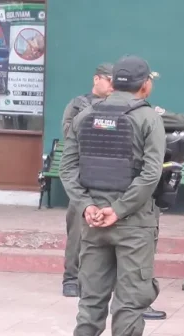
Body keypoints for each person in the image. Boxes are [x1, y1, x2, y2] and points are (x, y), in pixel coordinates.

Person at [61, 55, 165, 336]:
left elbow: (68, 169)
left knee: (91, 298)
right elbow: (151, 174)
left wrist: (87, 206)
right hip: (133, 224)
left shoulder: (85, 115)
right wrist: (118, 210)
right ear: (144, 85)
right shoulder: (148, 118)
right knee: (131, 300)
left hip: (93, 223)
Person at [60, 63, 113, 299]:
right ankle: (71, 277)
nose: (112, 86)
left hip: (109, 176)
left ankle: (98, 279)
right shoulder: (78, 105)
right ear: (96, 79)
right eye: (109, 80)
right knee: (77, 231)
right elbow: (70, 135)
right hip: (82, 177)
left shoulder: (120, 106)